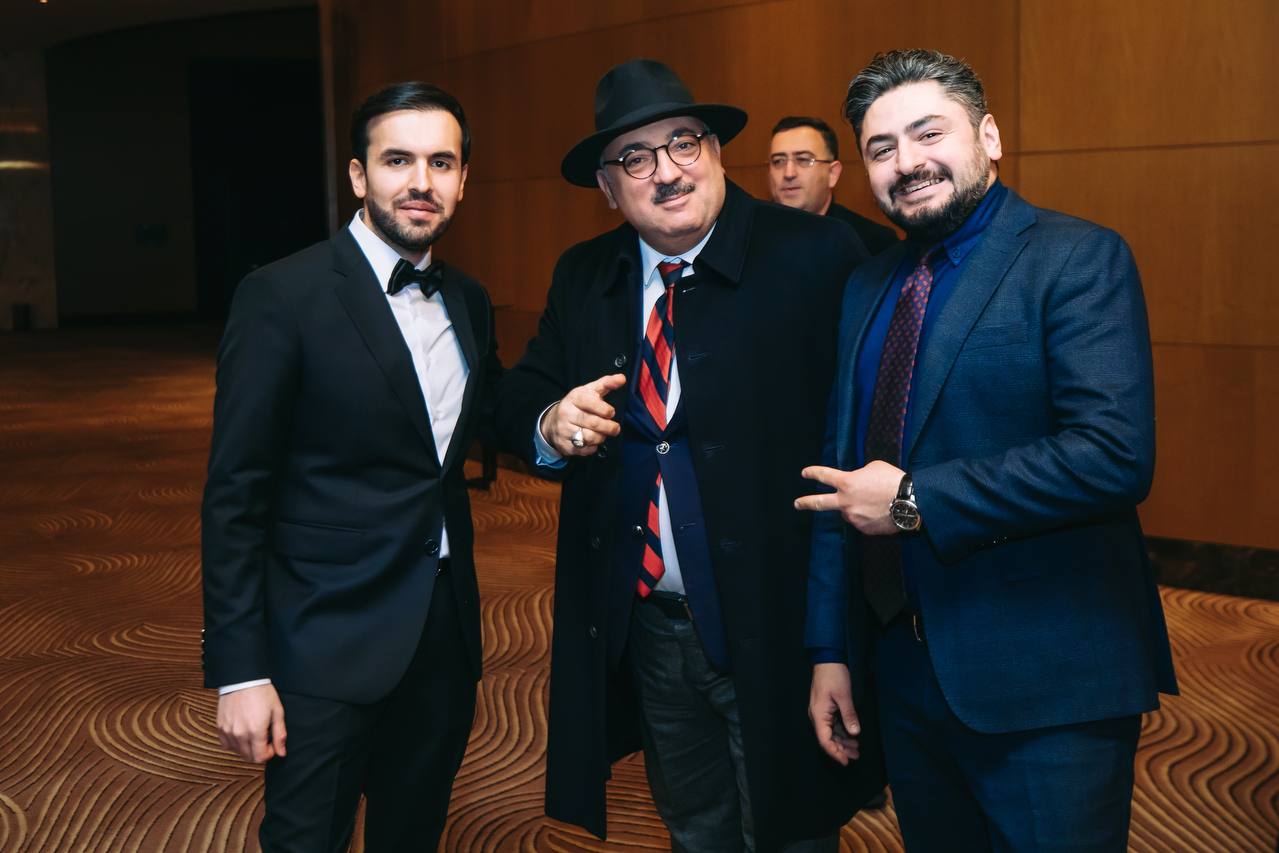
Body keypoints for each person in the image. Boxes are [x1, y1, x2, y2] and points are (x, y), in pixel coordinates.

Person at [496, 59, 881, 852]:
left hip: (781, 626)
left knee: (792, 832)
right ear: (607, 187)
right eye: (635, 158)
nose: (667, 171)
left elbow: (871, 428)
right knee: (694, 827)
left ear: (714, 150)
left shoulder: (815, 255)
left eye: (683, 142)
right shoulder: (586, 274)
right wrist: (549, 419)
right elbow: (518, 393)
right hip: (651, 629)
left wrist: (835, 640)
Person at [797, 49, 1178, 851]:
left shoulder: (1075, 256)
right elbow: (841, 481)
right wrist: (831, 650)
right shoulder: (867, 286)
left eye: (927, 133)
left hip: (1045, 681)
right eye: (880, 147)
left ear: (990, 137)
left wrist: (913, 501)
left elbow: (1111, 454)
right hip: (902, 674)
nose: (906, 162)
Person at [201, 81, 500, 852]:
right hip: (322, 639)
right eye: (398, 160)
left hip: (441, 636)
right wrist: (240, 670)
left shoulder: (469, 300)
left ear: (463, 179)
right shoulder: (281, 295)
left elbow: (473, 431)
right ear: (359, 175)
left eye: (441, 163)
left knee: (414, 834)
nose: (421, 182)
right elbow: (235, 495)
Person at [768, 115, 897, 255]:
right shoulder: (753, 232)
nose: (789, 173)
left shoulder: (873, 243)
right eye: (778, 161)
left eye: (803, 160)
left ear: (832, 174)